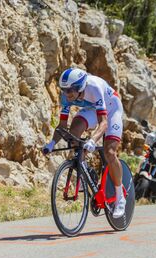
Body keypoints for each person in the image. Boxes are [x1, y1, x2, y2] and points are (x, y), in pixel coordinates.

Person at [42, 68, 126, 218]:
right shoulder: (66, 96)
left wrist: (93, 140)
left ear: (81, 86)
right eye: (64, 90)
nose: (68, 94)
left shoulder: (93, 87)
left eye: (71, 90)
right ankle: (85, 170)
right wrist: (51, 144)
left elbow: (104, 123)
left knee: (110, 152)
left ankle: (120, 198)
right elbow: (62, 126)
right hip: (91, 109)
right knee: (73, 134)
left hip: (112, 109)